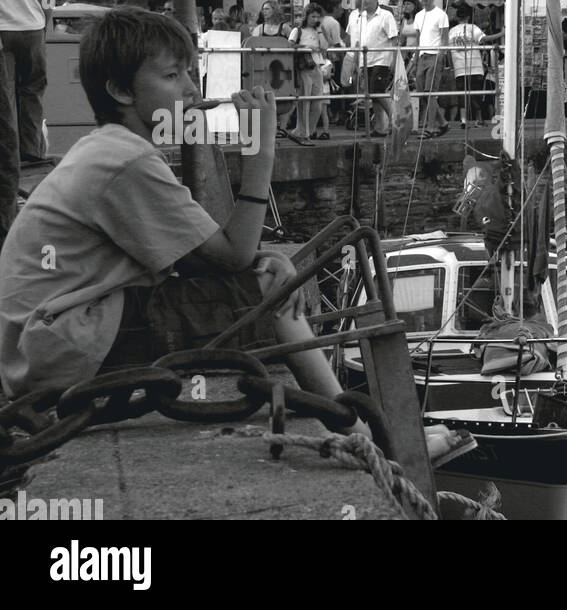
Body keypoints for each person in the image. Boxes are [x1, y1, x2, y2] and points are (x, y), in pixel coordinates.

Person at [0, 8, 364, 441]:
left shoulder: (107, 149)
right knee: (270, 292)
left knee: (264, 279)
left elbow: (200, 255)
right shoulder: (126, 160)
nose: (192, 90)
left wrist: (262, 257)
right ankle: (356, 432)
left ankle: (348, 425)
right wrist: (261, 151)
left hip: (42, 344)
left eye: (190, 73)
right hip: (62, 346)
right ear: (120, 90)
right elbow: (232, 255)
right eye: (173, 76)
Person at [0, 0, 49, 246]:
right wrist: (44, 22)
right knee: (33, 90)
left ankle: (14, 159)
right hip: (32, 25)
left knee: (5, 100)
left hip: (4, 26)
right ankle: (31, 156)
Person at [348, 0, 400, 135]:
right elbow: (358, 41)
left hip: (382, 59)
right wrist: (356, 61)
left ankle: (396, 120)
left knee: (377, 90)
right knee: (373, 93)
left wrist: (395, 60)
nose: (364, 2)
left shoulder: (386, 15)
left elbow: (394, 38)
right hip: (366, 59)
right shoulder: (360, 17)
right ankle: (380, 126)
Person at [448, 2, 502, 127]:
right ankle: (478, 119)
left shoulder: (451, 31)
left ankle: (463, 120)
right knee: (476, 94)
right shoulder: (473, 28)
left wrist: (452, 67)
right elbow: (484, 39)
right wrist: (502, 34)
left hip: (459, 67)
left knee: (462, 95)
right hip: (475, 67)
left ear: (457, 17)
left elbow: (449, 51)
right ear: (468, 17)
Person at [291, 4, 330, 141]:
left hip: (317, 67)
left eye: (318, 17)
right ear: (306, 16)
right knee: (304, 102)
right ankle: (302, 131)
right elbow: (290, 45)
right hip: (304, 68)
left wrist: (320, 30)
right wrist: (305, 47)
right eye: (313, 16)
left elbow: (325, 46)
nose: (315, 19)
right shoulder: (298, 30)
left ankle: (310, 129)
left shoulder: (318, 30)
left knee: (317, 103)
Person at [412, 0, 451, 136]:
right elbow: (418, 38)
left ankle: (431, 127)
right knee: (422, 93)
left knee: (430, 93)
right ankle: (443, 122)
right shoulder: (418, 16)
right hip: (422, 56)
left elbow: (444, 38)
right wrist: (415, 59)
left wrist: (441, 56)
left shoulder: (441, 15)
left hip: (435, 55)